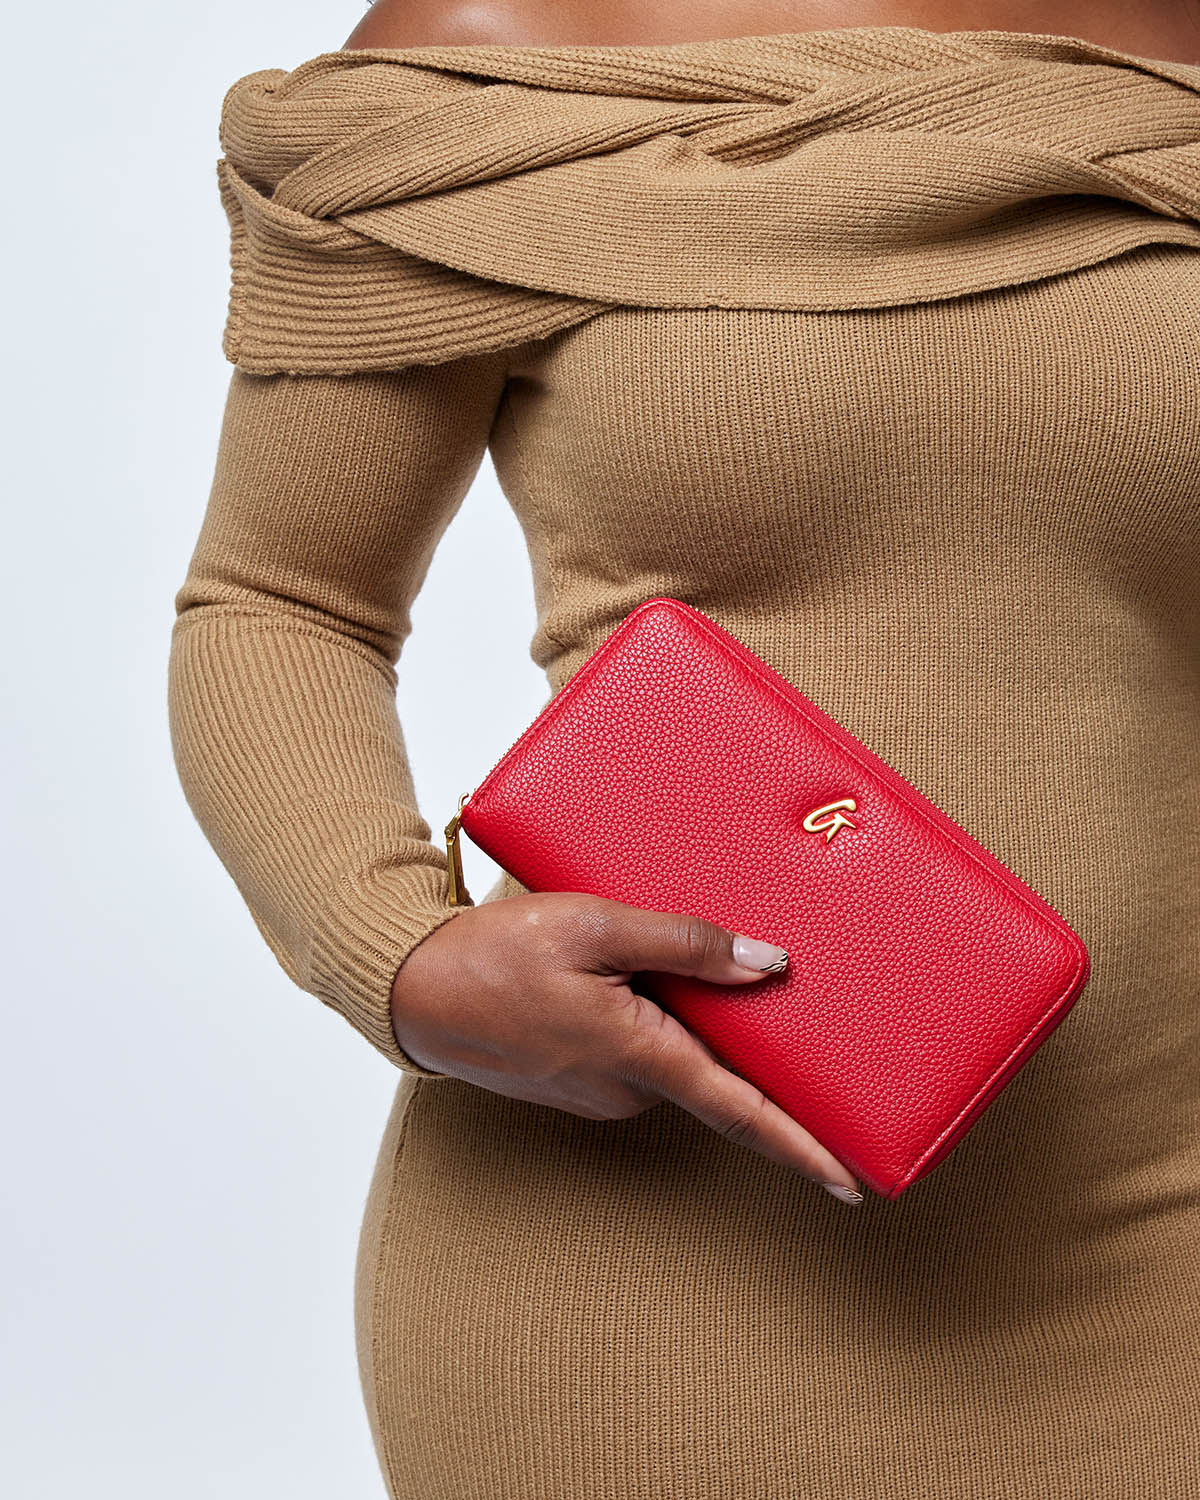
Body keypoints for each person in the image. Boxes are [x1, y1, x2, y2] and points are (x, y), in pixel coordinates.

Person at [167, 2, 1200, 1495]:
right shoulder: (495, 38)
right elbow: (280, 599)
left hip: (1155, 1225)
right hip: (638, 1258)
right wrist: (399, 954)